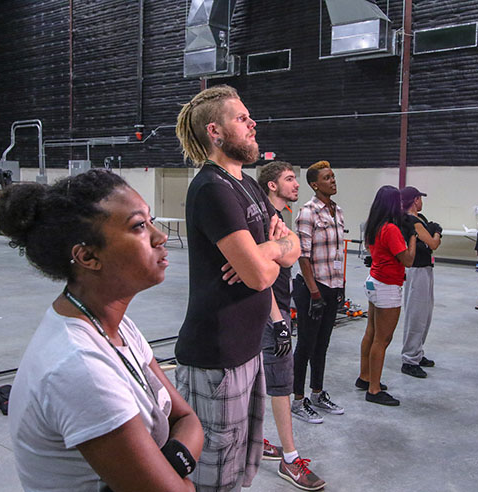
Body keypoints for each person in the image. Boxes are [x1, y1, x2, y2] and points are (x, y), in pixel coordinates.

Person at [0, 169, 204, 492]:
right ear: (88, 256)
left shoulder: (117, 326)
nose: (159, 236)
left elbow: (188, 420)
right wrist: (178, 479)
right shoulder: (79, 367)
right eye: (138, 226)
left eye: (150, 221)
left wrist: (170, 466)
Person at [174, 85, 300, 491]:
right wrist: (271, 254)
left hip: (248, 351)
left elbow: (293, 247)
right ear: (215, 131)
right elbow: (261, 276)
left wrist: (267, 248)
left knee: (238, 470)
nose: (252, 123)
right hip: (217, 358)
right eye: (242, 119)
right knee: (213, 476)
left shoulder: (245, 183)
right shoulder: (212, 188)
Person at [258, 161, 326, 491]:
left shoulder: (280, 218)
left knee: (259, 379)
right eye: (289, 179)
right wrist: (278, 320)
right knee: (281, 384)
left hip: (279, 308)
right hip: (270, 314)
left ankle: (253, 442)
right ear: (272, 185)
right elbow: (262, 275)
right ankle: (289, 458)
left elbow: (292, 254)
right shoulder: (262, 220)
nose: (296, 185)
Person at [291, 160, 345, 423]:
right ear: (315, 184)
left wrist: (340, 287)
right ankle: (298, 401)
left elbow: (337, 253)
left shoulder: (339, 212)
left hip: (332, 286)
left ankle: (317, 393)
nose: (332, 180)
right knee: (305, 344)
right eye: (327, 178)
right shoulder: (307, 212)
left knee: (322, 345)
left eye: (333, 176)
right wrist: (314, 292)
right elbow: (303, 256)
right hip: (312, 288)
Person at [357, 186, 416, 406]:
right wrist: (411, 238)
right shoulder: (391, 229)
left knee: (371, 333)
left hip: (374, 281)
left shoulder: (375, 225)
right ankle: (374, 389)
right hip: (387, 286)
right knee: (383, 339)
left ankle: (365, 377)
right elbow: (408, 260)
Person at [399, 186, 441, 379]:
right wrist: (437, 233)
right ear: (415, 200)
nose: (422, 202)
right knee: (416, 314)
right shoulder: (412, 221)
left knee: (426, 313)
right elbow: (433, 244)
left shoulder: (420, 220)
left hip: (425, 268)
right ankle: (409, 358)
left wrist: (431, 231)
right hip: (415, 270)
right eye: (420, 199)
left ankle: (417, 352)